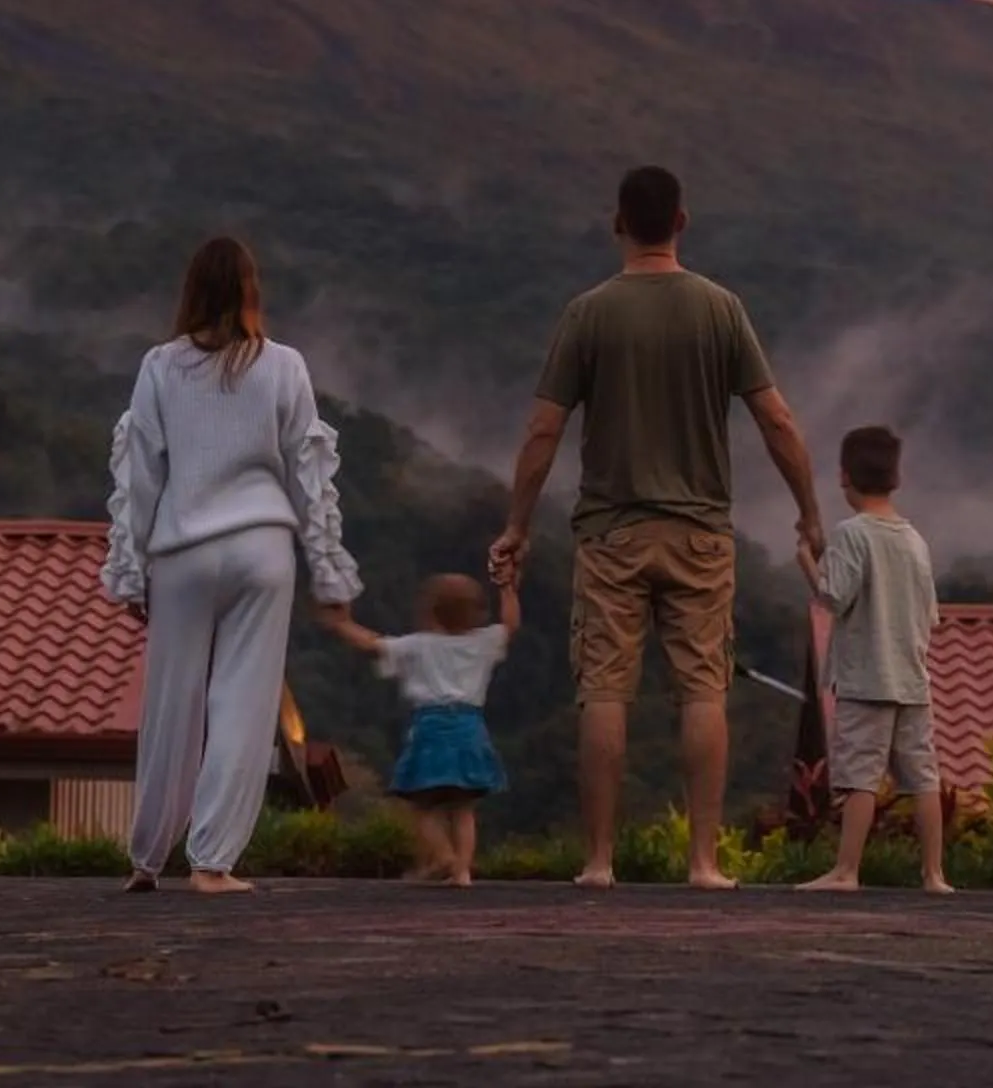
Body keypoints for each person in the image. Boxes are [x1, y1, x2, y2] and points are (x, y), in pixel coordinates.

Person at [487, 165, 825, 891]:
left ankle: (599, 862)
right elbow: (777, 418)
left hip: (611, 533)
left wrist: (516, 525)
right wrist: (811, 511)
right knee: (703, 689)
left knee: (605, 689)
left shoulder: (589, 313)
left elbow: (543, 430)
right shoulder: (720, 309)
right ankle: (703, 863)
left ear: (618, 223)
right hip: (701, 531)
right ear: (682, 221)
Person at [102, 235, 362, 894]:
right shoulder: (285, 368)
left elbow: (141, 475)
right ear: (251, 290)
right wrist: (330, 572)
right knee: (243, 701)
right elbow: (311, 475)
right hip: (262, 548)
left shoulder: (160, 367)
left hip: (181, 551)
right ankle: (212, 862)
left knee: (170, 703)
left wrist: (129, 571)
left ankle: (146, 857)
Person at [800, 426, 951, 894]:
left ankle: (846, 870)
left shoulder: (850, 534)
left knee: (860, 776)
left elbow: (834, 595)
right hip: (911, 678)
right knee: (923, 777)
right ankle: (934, 874)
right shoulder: (915, 540)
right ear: (895, 478)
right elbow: (932, 616)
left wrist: (808, 559)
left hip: (866, 679)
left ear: (845, 477)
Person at [317, 571, 517, 886]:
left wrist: (342, 623)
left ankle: (443, 856)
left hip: (431, 728)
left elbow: (373, 645)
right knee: (464, 807)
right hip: (470, 727)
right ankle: (462, 871)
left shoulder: (419, 645)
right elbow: (510, 625)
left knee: (423, 805)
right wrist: (508, 588)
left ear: (429, 611)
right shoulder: (484, 643)